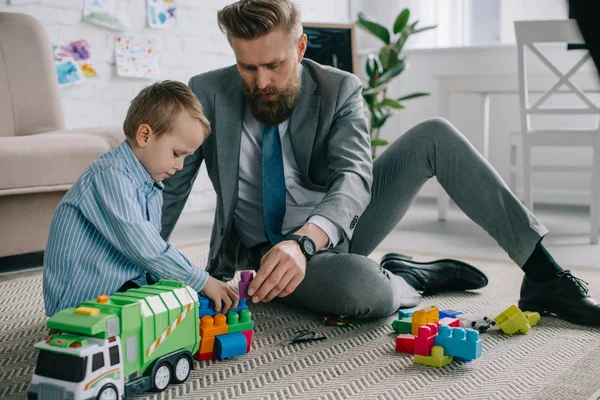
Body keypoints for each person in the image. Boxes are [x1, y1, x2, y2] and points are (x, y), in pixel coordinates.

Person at [161, 0, 600, 324]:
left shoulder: (339, 89)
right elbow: (169, 186)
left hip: (333, 230)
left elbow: (353, 178)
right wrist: (137, 261)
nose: (262, 82)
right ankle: (407, 278)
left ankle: (546, 278)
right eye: (247, 68)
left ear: (300, 47)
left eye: (274, 65)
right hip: (260, 254)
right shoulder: (208, 92)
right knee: (362, 290)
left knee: (436, 135)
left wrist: (304, 243)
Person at [43, 81, 239, 317]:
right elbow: (146, 250)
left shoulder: (149, 184)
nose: (180, 166)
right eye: (177, 154)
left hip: (119, 284)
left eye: (186, 157)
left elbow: (148, 256)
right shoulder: (111, 176)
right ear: (145, 135)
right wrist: (201, 280)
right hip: (79, 302)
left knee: (180, 305)